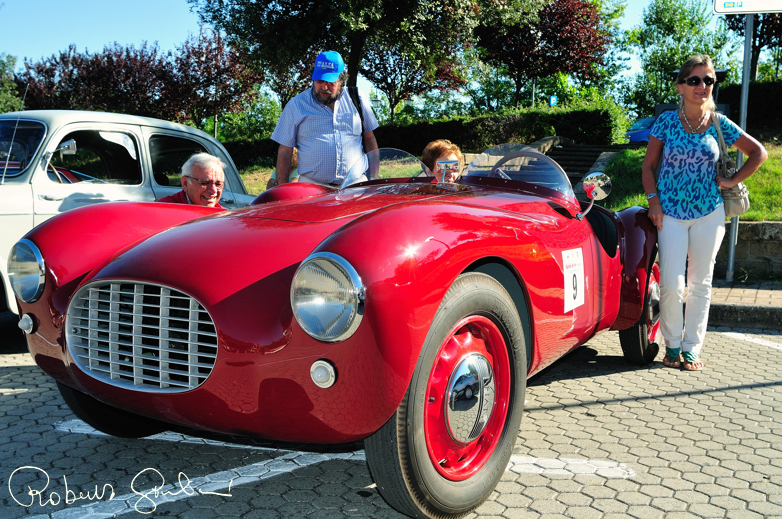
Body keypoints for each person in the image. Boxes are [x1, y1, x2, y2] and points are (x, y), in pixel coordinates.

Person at [642, 54, 767, 371]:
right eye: (695, 80)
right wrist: (653, 201)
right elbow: (648, 166)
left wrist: (732, 179)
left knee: (700, 284)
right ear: (680, 86)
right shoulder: (667, 122)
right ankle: (671, 345)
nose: (702, 86)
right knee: (671, 282)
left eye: (708, 80)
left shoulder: (718, 123)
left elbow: (758, 152)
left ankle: (691, 349)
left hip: (708, 213)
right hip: (669, 212)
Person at [271, 50, 379, 187]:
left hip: (355, 185)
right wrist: (282, 189)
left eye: (330, 81)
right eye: (319, 80)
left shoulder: (357, 99)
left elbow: (369, 139)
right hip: (312, 187)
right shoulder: (296, 105)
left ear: (341, 79)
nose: (324, 86)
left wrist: (374, 178)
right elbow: (285, 151)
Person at [158, 152, 227, 208]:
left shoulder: (224, 217)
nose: (213, 190)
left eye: (218, 184)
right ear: (185, 184)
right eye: (205, 183)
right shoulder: (164, 209)